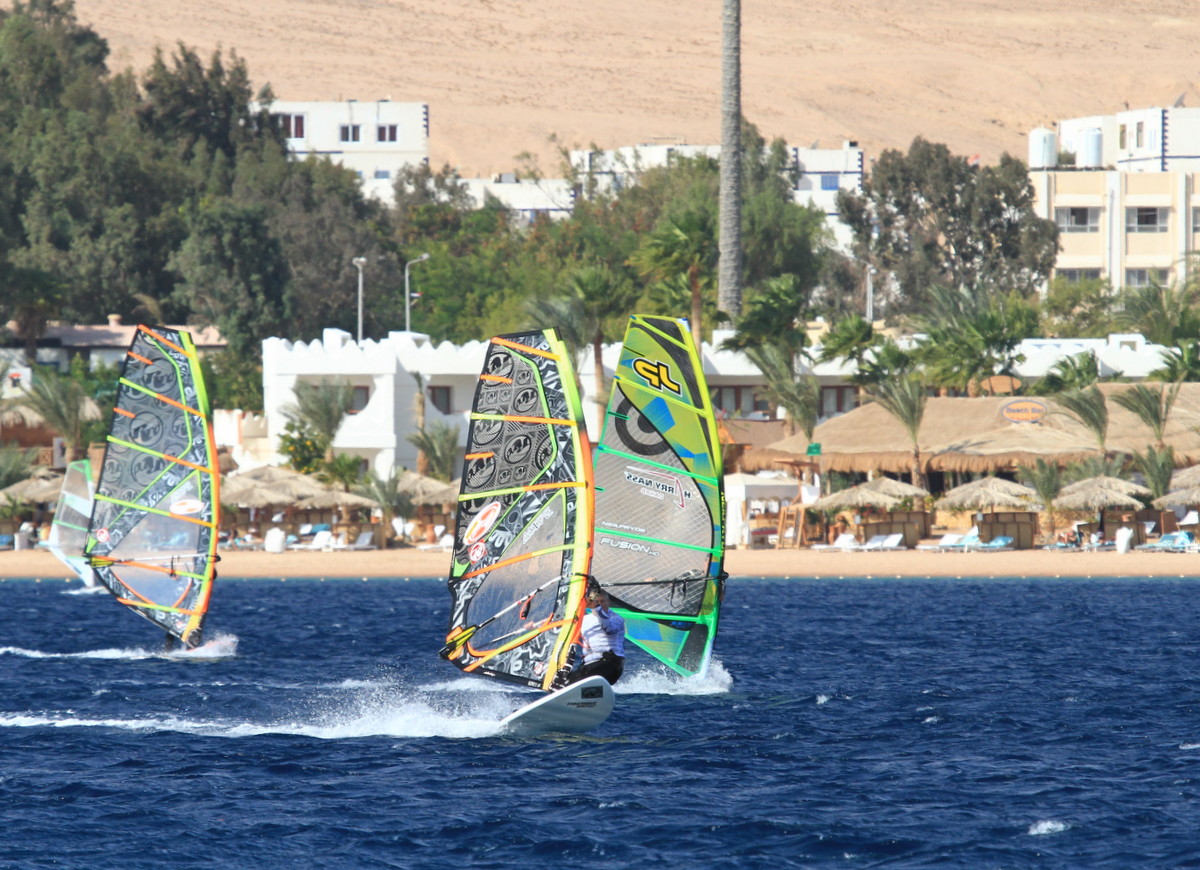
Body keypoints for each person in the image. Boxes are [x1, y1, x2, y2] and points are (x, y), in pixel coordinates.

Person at [566, 579, 625, 686]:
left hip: (609, 664)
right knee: (563, 683)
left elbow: (609, 629)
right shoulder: (584, 619)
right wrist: (536, 626)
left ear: (608, 602)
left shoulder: (616, 618)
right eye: (597, 602)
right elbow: (564, 626)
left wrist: (596, 607)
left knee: (570, 685)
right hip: (590, 665)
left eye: (602, 601)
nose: (600, 604)